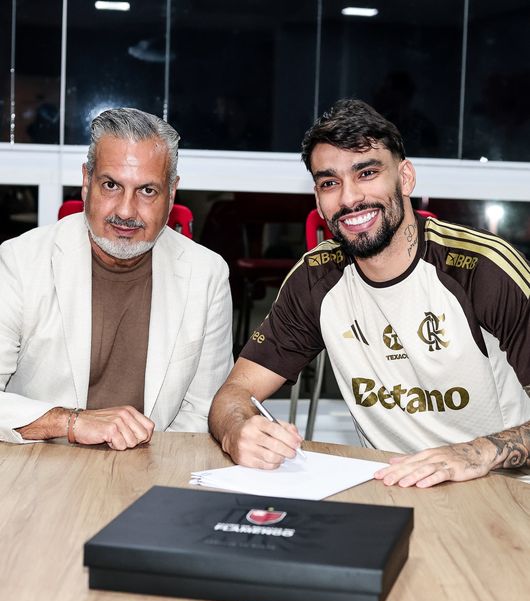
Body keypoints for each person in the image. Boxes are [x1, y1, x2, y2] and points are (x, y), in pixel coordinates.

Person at [208, 99, 530, 488]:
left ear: (405, 178)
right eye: (330, 183)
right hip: (388, 487)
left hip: (501, 486)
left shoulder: (481, 269)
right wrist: (239, 429)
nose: (349, 199)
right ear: (317, 199)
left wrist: (475, 453)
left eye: (367, 173)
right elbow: (234, 393)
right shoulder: (316, 279)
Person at [0, 107, 233, 450]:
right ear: (86, 181)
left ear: (172, 193)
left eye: (147, 191)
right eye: (111, 185)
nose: (125, 211)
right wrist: (70, 423)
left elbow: (203, 412)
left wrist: (146, 467)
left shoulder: (207, 275)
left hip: (153, 462)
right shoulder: (20, 262)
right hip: (42, 459)